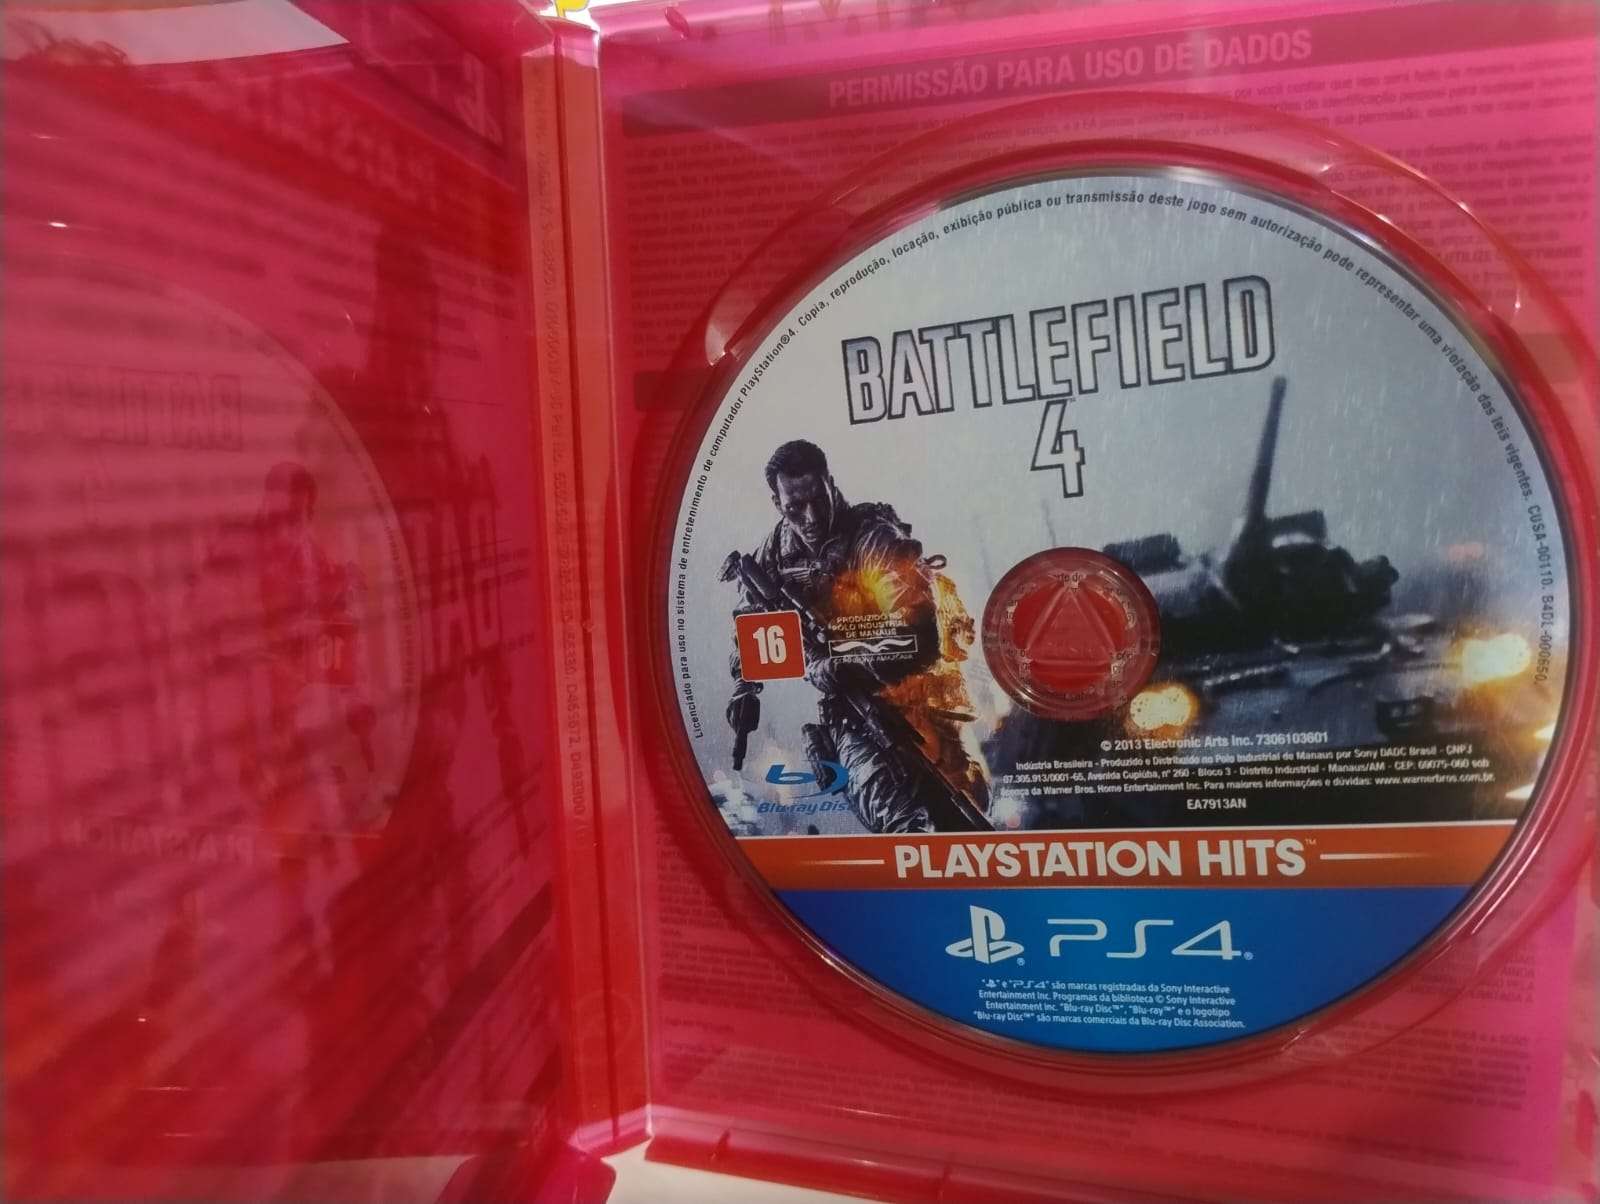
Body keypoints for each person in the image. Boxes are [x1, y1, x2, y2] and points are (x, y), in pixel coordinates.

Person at [726, 439, 988, 833]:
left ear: (831, 484)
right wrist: (744, 687)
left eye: (818, 500)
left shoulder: (873, 540)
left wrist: (837, 662)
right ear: (778, 503)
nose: (811, 517)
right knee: (902, 825)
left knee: (968, 812)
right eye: (796, 507)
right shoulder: (773, 556)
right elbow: (750, 624)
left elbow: (918, 634)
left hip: (920, 700)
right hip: (854, 714)